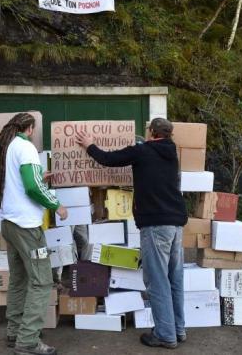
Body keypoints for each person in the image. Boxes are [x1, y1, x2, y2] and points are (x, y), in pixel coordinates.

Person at [76, 118, 187, 349]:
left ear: (152, 133)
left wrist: (89, 145)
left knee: (157, 281)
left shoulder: (143, 151)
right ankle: (177, 329)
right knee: (174, 278)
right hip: (176, 223)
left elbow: (108, 160)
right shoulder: (171, 153)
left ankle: (165, 335)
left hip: (156, 225)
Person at [0, 112, 68, 355]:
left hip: (9, 223)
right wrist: (57, 205)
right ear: (31, 129)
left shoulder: (7, 147)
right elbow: (33, 187)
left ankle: (15, 332)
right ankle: (27, 341)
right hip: (26, 226)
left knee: (19, 279)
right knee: (42, 280)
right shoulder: (27, 148)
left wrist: (38, 177)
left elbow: (21, 181)